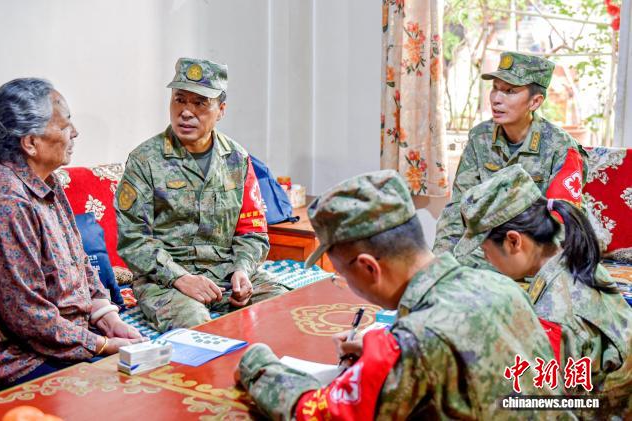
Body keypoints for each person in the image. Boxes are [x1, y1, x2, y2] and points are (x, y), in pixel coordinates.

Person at [235, 170, 566, 420]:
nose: (347, 284)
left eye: (342, 276)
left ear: (369, 267)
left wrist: (258, 364)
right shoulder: (500, 285)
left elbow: (321, 413)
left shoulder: (413, 343)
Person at [0, 78, 144, 388]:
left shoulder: (45, 181)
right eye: (65, 124)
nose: (75, 132)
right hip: (1, 354)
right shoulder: (2, 200)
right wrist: (101, 345)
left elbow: (78, 260)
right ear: (31, 143)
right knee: (112, 389)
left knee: (147, 371)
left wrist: (106, 317)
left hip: (51, 336)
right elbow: (27, 316)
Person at [116, 58, 287, 332]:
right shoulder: (144, 160)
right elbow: (133, 238)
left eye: (200, 103)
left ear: (221, 110)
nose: (186, 112)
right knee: (198, 328)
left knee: (284, 309)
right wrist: (181, 278)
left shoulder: (237, 158)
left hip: (226, 273)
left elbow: (252, 230)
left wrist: (242, 270)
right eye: (179, 100)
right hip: (166, 281)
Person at [455, 164, 632, 415]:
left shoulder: (554, 316)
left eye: (485, 251)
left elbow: (547, 409)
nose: (487, 260)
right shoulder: (573, 257)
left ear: (514, 241)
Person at [434, 51, 587, 268]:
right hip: (485, 248)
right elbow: (457, 208)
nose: (496, 99)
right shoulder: (480, 138)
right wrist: (440, 260)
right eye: (495, 88)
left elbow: (564, 222)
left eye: (510, 91)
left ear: (535, 101)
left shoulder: (561, 147)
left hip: (533, 252)